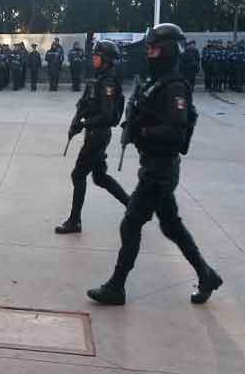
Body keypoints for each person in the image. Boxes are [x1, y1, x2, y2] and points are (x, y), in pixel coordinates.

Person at [87, 23, 222, 306]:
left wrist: (142, 131)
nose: (149, 53)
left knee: (130, 223)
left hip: (160, 170)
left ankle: (116, 287)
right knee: (171, 226)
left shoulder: (174, 86)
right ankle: (206, 274)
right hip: (154, 166)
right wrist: (134, 121)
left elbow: (176, 129)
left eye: (154, 49)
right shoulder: (156, 82)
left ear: (169, 51)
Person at [56, 41, 130, 234]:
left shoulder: (108, 82)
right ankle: (132, 206)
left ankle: (74, 221)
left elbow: (106, 116)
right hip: (94, 134)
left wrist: (83, 124)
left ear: (106, 59)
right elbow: (87, 105)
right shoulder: (98, 78)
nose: (93, 58)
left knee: (78, 175)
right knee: (100, 177)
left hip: (98, 135)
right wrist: (77, 119)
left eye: (97, 56)